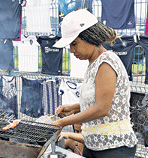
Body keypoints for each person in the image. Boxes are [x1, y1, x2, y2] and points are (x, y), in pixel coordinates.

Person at [51, 9, 138, 158]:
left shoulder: (106, 62)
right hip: (94, 145)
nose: (72, 50)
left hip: (114, 147)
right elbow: (104, 100)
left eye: (74, 44)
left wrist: (62, 122)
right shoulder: (94, 64)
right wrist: (74, 108)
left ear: (89, 37)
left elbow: (102, 108)